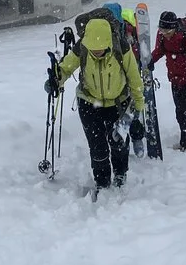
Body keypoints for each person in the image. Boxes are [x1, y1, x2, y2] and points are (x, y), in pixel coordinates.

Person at [46, 18, 146, 191]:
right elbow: (66, 67)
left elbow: (133, 76)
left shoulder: (120, 47)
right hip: (89, 102)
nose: (96, 52)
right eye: (93, 49)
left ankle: (121, 172)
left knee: (118, 141)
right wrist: (56, 79)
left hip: (119, 103)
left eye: (99, 49)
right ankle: (102, 181)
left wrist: (138, 103)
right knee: (97, 145)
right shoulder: (82, 48)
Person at [150, 11, 186, 150]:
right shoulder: (162, 36)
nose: (164, 33)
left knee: (182, 111)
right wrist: (151, 60)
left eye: (167, 30)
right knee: (181, 110)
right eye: (161, 30)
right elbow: (159, 50)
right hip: (175, 78)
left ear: (175, 27)